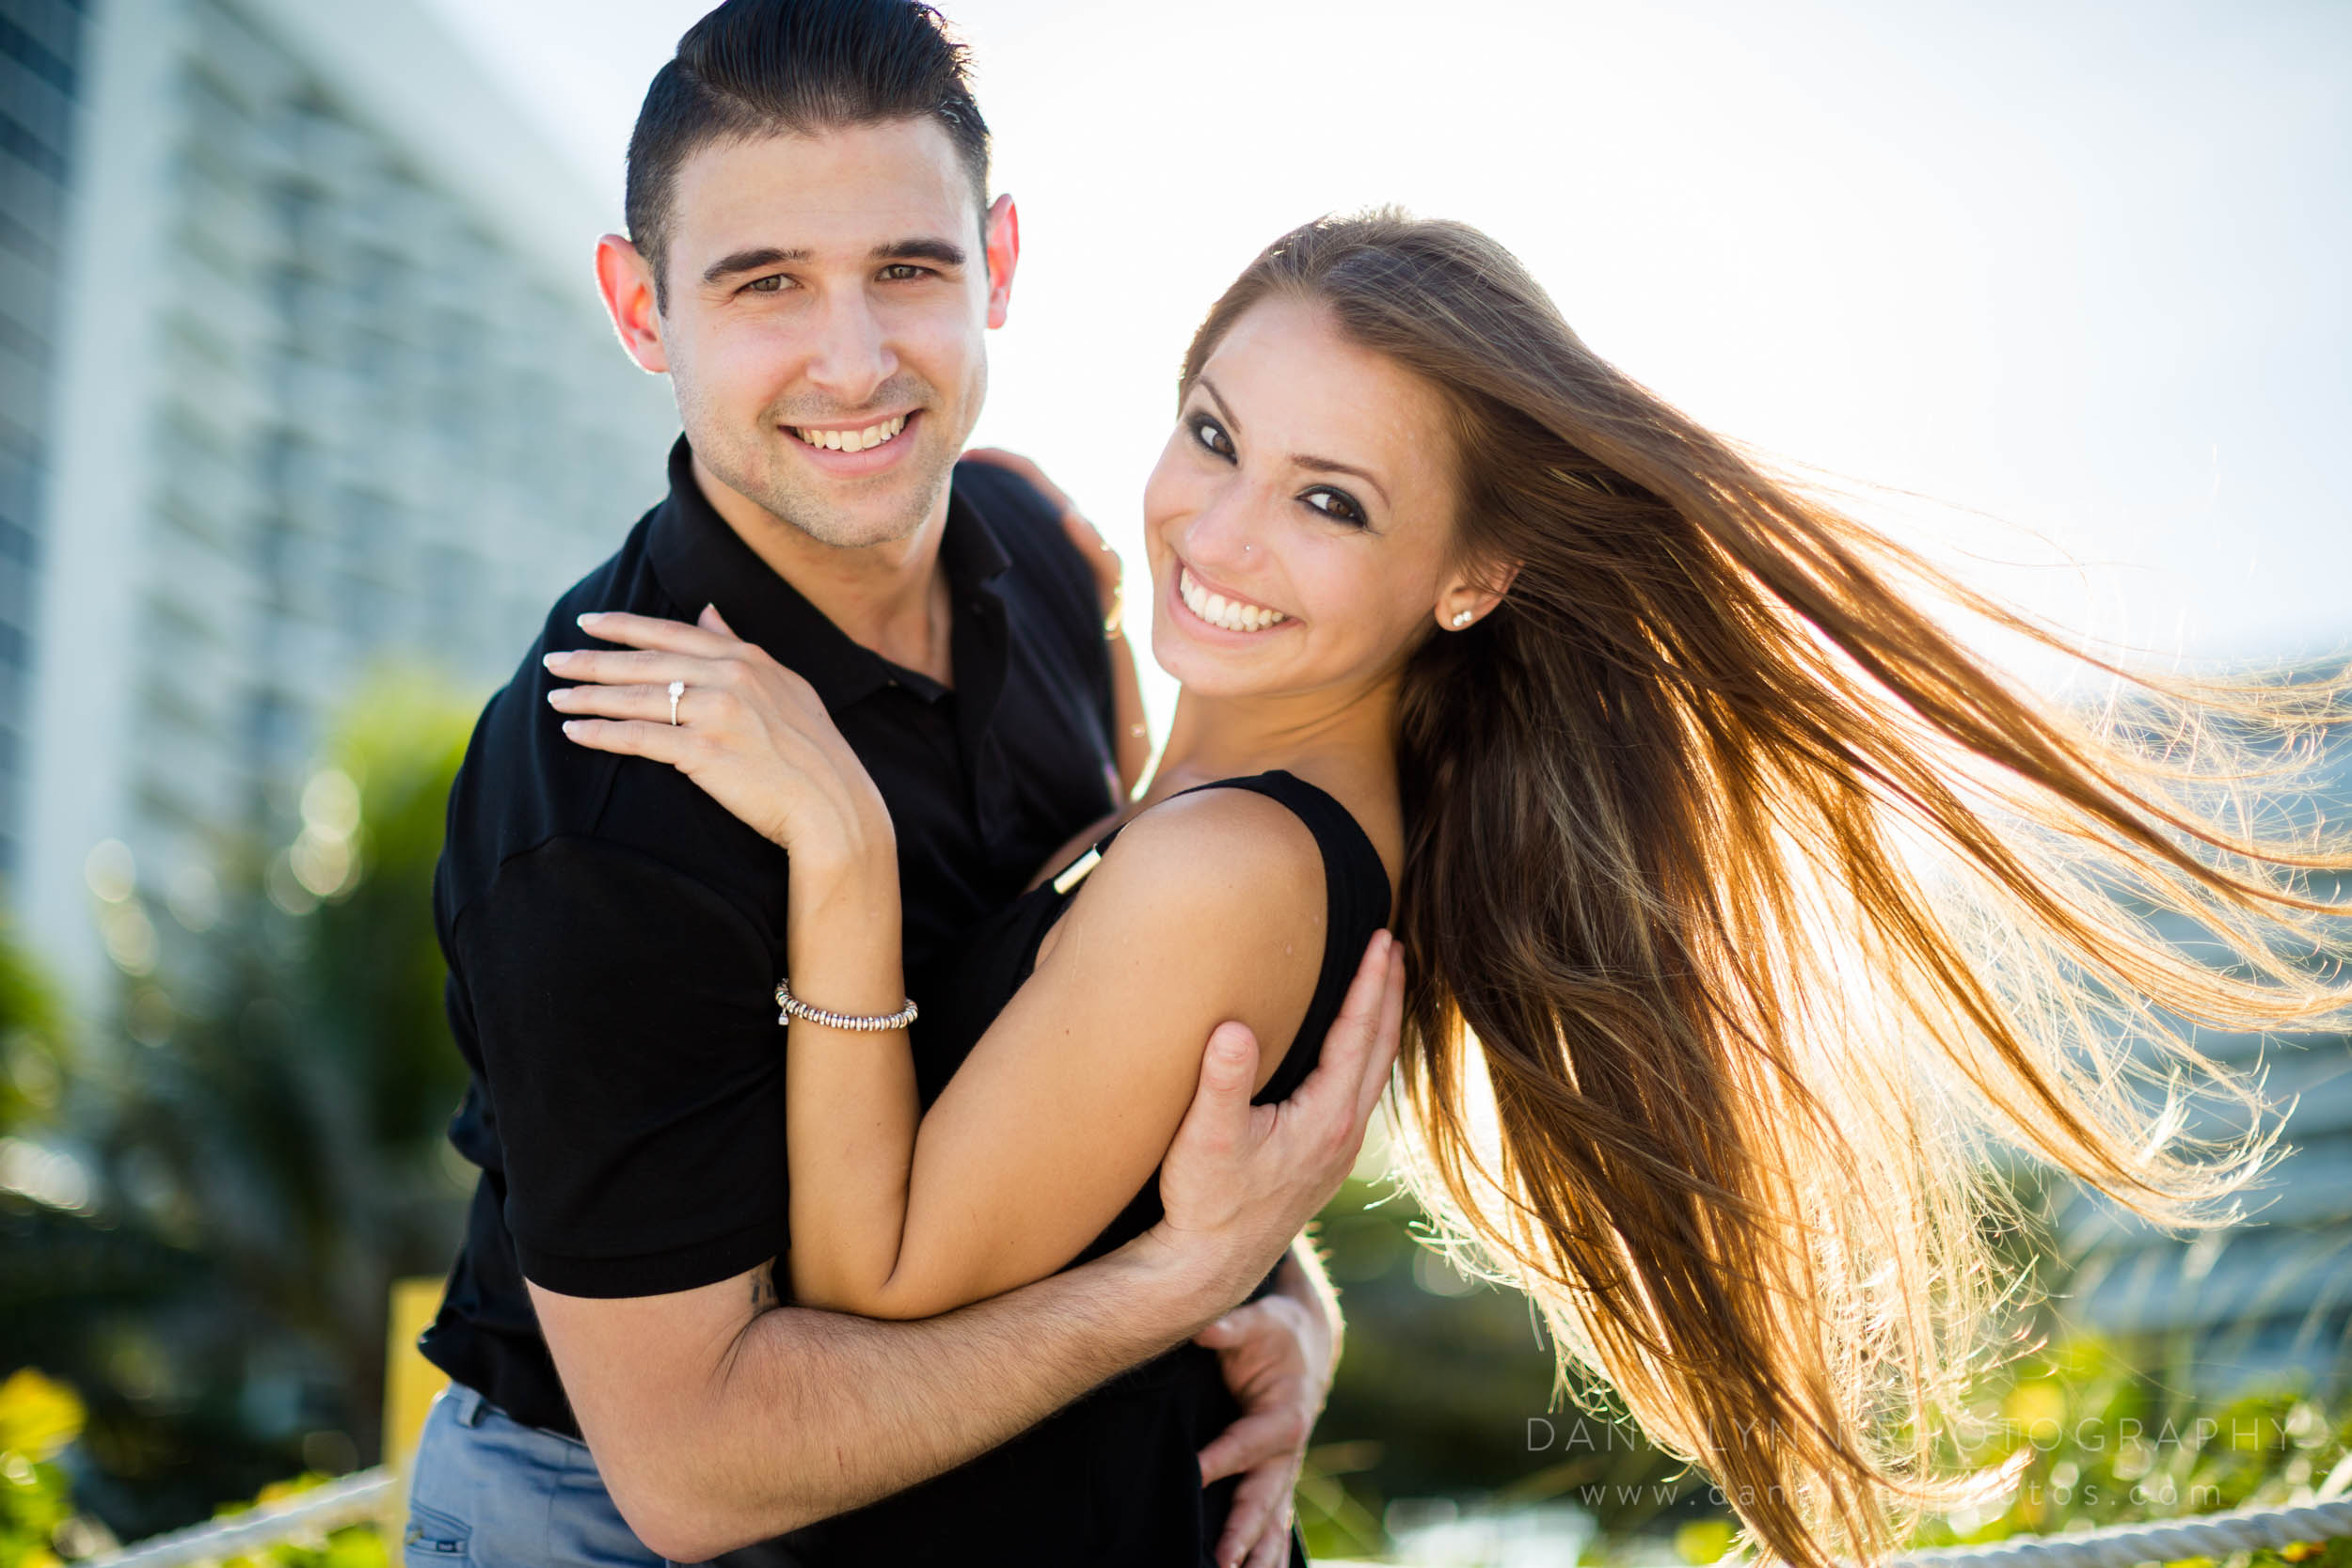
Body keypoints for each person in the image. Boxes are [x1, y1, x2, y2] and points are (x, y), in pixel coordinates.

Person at [553, 206, 2352, 1568]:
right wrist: (1264, 1280)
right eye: (1214, 429)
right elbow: (1114, 1151)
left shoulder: (1235, 859)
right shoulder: (1259, 811)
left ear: (1473, 572)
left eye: (1331, 503)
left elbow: (872, 1287)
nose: (1221, 528)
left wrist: (843, 848)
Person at [406, 4, 1399, 1566]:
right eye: (767, 284)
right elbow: (697, 1471)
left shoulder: (1045, 553)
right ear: (640, 307)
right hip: (613, 1516)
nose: (855, 360)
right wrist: (1179, 1282)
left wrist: (1286, 1296)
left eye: (909, 269)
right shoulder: (600, 804)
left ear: (997, 263)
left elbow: (1083, 1014)